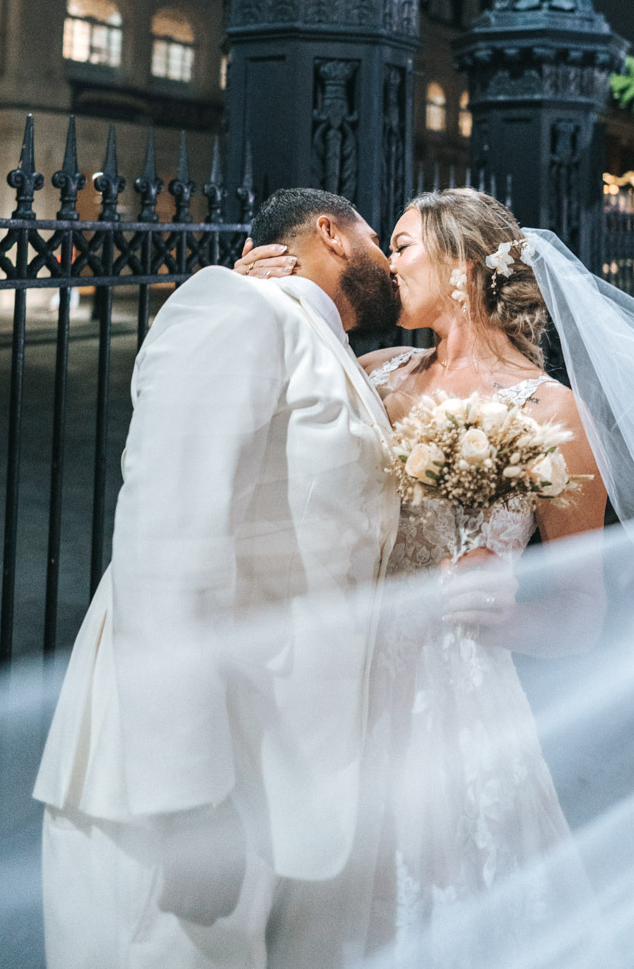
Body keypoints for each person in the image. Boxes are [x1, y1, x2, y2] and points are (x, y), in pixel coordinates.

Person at [34, 187, 402, 969]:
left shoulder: (327, 343)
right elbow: (168, 542)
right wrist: (186, 799)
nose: (391, 262)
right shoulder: (237, 308)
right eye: (381, 239)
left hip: (288, 767)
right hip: (192, 781)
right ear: (330, 234)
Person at [238, 187, 609, 952]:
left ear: (463, 269)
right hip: (342, 675)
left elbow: (582, 611)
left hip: (458, 704)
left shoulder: (551, 412)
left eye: (402, 245)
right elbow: (249, 421)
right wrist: (249, 305)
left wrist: (507, 611)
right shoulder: (371, 373)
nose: (385, 262)